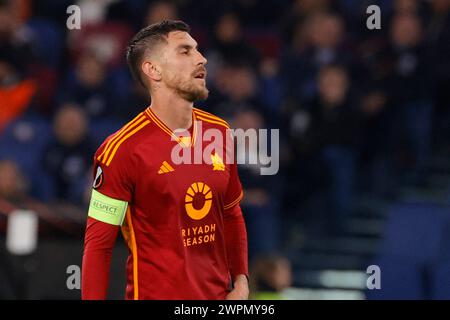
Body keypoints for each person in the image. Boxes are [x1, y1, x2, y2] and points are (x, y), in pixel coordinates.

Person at [82, 20, 249, 300]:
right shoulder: (121, 150)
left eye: (197, 50)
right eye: (185, 51)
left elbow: (231, 213)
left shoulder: (219, 131)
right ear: (153, 70)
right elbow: (98, 245)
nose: (202, 58)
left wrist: (241, 280)